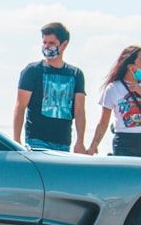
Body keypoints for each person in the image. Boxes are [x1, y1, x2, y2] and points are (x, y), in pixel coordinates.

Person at [12, 22, 86, 152]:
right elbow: (20, 106)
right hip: (37, 141)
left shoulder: (75, 74)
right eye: (44, 42)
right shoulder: (33, 71)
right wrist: (16, 139)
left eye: (51, 43)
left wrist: (80, 141)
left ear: (64, 44)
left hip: (63, 142)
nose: (47, 46)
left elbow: (79, 111)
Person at [87, 46, 141, 158]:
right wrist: (93, 147)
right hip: (123, 141)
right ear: (130, 66)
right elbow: (103, 122)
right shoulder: (113, 88)